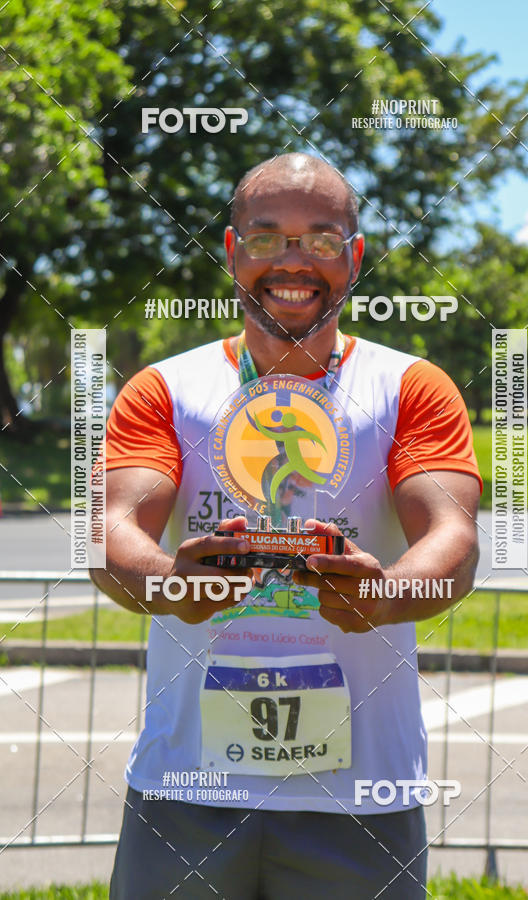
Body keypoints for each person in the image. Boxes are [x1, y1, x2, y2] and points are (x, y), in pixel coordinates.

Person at [92, 152, 482, 900]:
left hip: (364, 796)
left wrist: (387, 596)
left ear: (355, 257)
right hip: (188, 787)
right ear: (233, 252)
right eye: (267, 237)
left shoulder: (410, 387)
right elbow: (111, 530)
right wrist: (171, 584)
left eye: (322, 238)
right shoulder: (166, 388)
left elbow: (453, 543)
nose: (293, 261)